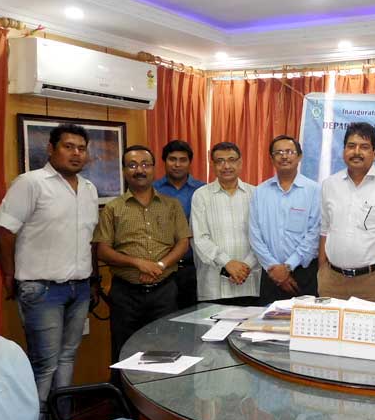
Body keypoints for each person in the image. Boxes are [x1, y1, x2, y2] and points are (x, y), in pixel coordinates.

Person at [0, 123, 99, 420]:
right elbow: (3, 229)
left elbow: (89, 239)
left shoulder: (89, 189)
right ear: (51, 149)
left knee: (67, 359)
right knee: (45, 365)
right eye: (68, 146)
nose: (76, 153)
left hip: (79, 288)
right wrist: (9, 274)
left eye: (81, 148)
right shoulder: (31, 183)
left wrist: (93, 281)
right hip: (41, 289)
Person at [93, 145, 191, 365]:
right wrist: (138, 263)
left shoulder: (171, 205)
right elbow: (102, 250)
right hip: (126, 294)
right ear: (124, 170)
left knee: (166, 354)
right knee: (124, 353)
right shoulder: (113, 208)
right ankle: (123, 390)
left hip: (165, 292)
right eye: (132, 165)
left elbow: (183, 242)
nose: (140, 170)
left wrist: (159, 266)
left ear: (154, 168)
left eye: (145, 165)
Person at [318, 122, 375, 304]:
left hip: (374, 282)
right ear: (344, 150)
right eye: (351, 146)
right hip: (332, 281)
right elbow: (325, 230)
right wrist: (322, 272)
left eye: (364, 147)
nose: (357, 152)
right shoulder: (330, 185)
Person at [249, 135, 320, 304]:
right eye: (278, 152)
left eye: (289, 152)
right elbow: (254, 234)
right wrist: (274, 268)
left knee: (304, 319)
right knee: (267, 320)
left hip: (303, 273)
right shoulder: (260, 192)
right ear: (271, 158)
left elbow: (315, 233)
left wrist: (288, 266)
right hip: (270, 273)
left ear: (299, 156)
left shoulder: (314, 190)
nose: (284, 156)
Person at [191, 142, 260, 305]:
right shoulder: (201, 195)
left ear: (240, 162)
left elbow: (263, 237)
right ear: (212, 165)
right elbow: (199, 238)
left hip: (249, 282)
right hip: (213, 286)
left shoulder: (256, 194)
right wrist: (227, 263)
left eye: (231, 160)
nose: (226, 166)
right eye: (220, 161)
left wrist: (246, 266)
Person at [154, 140, 204, 308]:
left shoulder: (202, 190)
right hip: (162, 268)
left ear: (190, 162)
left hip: (194, 267)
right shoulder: (152, 190)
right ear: (164, 161)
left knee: (194, 316)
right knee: (164, 317)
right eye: (172, 159)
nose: (177, 164)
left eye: (183, 160)